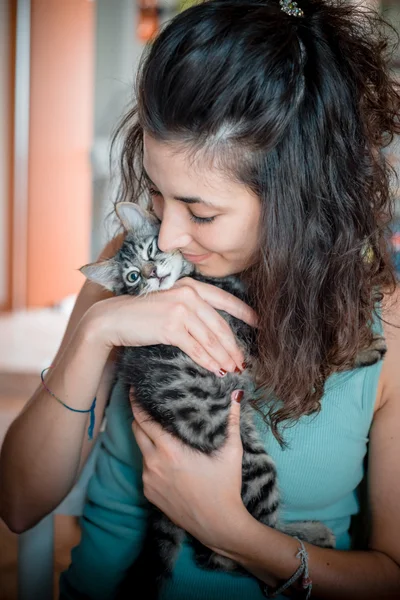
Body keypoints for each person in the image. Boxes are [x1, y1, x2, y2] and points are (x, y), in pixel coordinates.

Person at [1, 0, 400, 597]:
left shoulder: (387, 323)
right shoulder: (139, 259)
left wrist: (231, 531)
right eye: (160, 195)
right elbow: (17, 503)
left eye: (202, 212)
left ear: (299, 203)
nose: (167, 237)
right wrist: (94, 331)